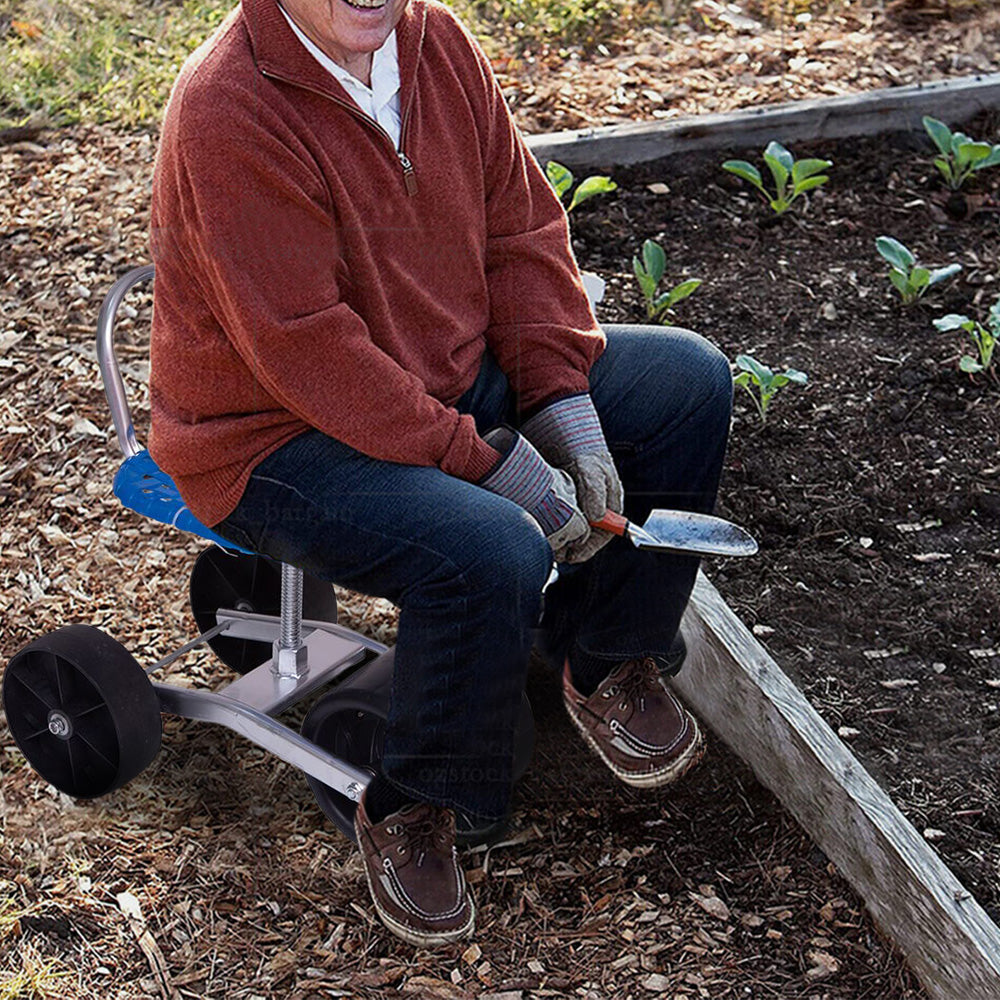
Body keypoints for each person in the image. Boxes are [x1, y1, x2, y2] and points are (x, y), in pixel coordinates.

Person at [149, 0, 732, 947]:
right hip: (273, 434)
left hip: (444, 379)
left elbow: (521, 231)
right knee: (487, 544)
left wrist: (560, 405)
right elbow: (310, 353)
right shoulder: (230, 108)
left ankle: (601, 655)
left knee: (686, 383)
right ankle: (415, 803)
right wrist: (489, 465)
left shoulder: (435, 41)